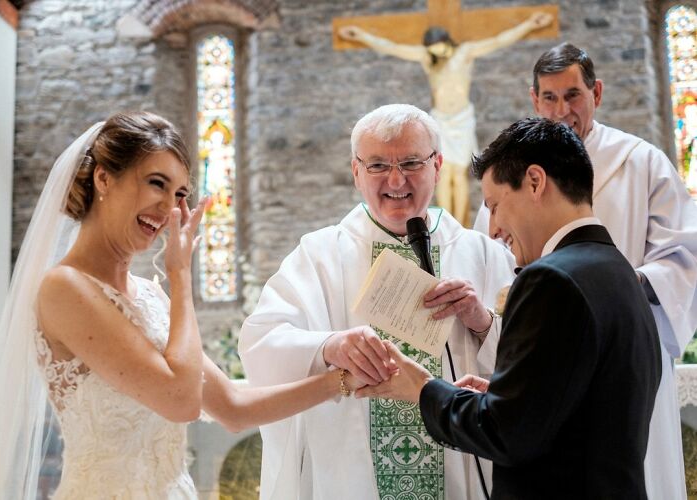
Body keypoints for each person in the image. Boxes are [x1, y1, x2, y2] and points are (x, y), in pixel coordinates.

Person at [0, 111, 364, 499]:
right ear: (103, 178)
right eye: (157, 183)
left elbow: (233, 407)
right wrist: (180, 274)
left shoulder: (151, 296)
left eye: (180, 195)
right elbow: (181, 401)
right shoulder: (64, 288)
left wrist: (342, 380)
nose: (168, 208)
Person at [361, 118, 663, 499]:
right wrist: (511, 395)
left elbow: (507, 435)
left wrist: (422, 389)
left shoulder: (551, 280)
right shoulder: (617, 269)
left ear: (535, 182)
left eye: (495, 206)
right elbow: (582, 405)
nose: (493, 228)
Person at [239, 104, 516, 500]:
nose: (396, 179)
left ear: (438, 165)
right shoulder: (319, 256)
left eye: (411, 162)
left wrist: (482, 323)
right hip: (353, 477)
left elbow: (533, 367)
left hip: (462, 467)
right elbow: (260, 343)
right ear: (355, 172)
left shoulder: (483, 254)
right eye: (377, 166)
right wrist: (328, 346)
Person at [473, 42, 697, 500]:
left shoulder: (641, 161)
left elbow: (685, 254)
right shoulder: (513, 175)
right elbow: (496, 262)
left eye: (573, 95)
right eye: (550, 97)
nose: (562, 110)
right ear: (534, 100)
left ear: (596, 92)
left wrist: (628, 284)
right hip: (544, 365)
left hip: (621, 355)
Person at [338, 12, 553, 226]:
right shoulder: (429, 60)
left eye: (439, 48)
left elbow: (497, 41)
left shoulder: (464, 53)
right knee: (441, 173)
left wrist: (529, 24)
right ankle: (444, 222)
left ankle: (459, 224)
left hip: (461, 119)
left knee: (458, 175)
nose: (438, 53)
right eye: (433, 51)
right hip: (440, 120)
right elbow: (393, 48)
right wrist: (361, 36)